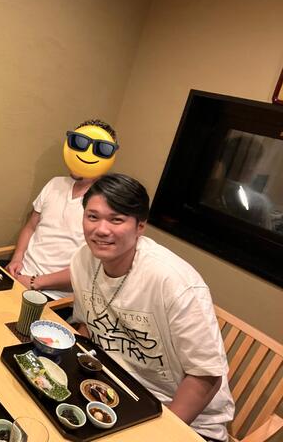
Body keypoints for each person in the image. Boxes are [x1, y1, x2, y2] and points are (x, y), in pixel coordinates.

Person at [69, 174, 234, 441]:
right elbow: (87, 325)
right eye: (93, 216)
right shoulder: (82, 261)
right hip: (114, 390)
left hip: (182, 420)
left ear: (140, 226)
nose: (101, 229)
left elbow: (206, 375)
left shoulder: (173, 281)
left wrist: (161, 434)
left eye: (116, 219)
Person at [6, 120, 118, 299]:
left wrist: (35, 282)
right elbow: (31, 227)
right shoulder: (55, 183)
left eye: (99, 149)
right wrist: (17, 258)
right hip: (19, 275)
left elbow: (92, 266)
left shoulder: (107, 204)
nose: (85, 153)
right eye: (79, 144)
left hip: (54, 295)